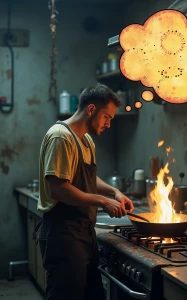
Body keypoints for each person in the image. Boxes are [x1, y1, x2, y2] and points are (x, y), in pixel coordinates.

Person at [37, 83, 134, 300]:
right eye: (107, 117)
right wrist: (102, 201)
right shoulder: (61, 137)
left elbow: (89, 178)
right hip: (63, 236)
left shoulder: (86, 140)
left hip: (84, 234)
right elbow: (58, 189)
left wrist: (114, 192)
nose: (109, 124)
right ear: (91, 110)